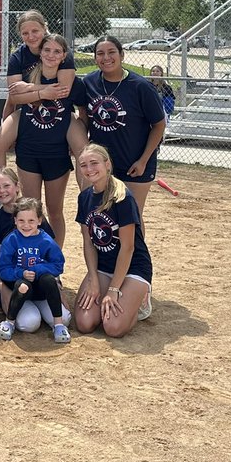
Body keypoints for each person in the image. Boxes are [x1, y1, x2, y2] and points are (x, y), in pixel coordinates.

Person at [0, 10, 83, 194]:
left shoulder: (57, 48)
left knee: (83, 149)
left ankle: (89, 195)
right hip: (29, 109)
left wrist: (28, 87)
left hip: (61, 110)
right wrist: (39, 91)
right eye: (25, 33)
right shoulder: (18, 56)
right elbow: (14, 95)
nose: (31, 36)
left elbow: (61, 90)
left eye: (35, 31)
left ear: (44, 28)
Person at [82, 35, 166, 222]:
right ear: (95, 58)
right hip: (103, 165)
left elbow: (159, 125)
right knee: (103, 218)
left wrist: (143, 160)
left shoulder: (141, 86)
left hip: (134, 164)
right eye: (100, 53)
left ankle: (136, 253)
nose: (106, 58)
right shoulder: (89, 83)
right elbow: (83, 118)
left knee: (132, 218)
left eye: (112, 52)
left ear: (122, 55)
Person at [13, 33, 85, 248]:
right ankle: (30, 257)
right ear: (40, 53)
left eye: (57, 51)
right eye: (47, 50)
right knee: (30, 210)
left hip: (56, 155)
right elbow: (13, 99)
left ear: (64, 56)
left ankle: (55, 261)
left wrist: (78, 136)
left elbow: (83, 110)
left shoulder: (71, 83)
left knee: (54, 211)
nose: (51, 55)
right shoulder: (28, 80)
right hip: (29, 153)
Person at [73, 144, 153, 336]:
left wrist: (114, 289)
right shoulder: (85, 197)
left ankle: (139, 301)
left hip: (132, 266)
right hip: (103, 266)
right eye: (83, 165)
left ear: (107, 164)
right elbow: (89, 242)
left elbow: (128, 248)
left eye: (94, 163)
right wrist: (93, 279)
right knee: (85, 323)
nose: (89, 169)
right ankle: (118, 299)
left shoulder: (122, 197)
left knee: (113, 328)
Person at [0, 168, 70, 335]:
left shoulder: (33, 213)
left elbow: (51, 255)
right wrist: (3, 291)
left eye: (6, 185)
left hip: (40, 282)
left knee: (63, 319)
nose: (2, 191)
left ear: (17, 186)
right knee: (30, 323)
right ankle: (22, 310)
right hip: (13, 285)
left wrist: (56, 286)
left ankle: (41, 306)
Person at [0, 197, 71, 343]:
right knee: (23, 289)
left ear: (39, 220)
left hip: (43, 290)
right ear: (15, 221)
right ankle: (9, 322)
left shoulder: (46, 240)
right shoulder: (11, 240)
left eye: (31, 221)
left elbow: (58, 265)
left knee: (50, 282)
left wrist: (37, 269)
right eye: (21, 221)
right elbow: (3, 269)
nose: (26, 225)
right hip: (23, 289)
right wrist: (20, 273)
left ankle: (58, 325)